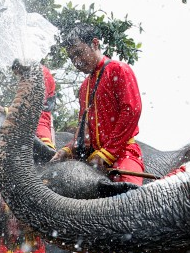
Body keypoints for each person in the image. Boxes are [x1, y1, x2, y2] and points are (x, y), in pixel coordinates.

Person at [51, 24, 145, 185]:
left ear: (95, 43)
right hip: (94, 158)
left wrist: (107, 153)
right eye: (72, 57)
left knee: (129, 196)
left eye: (79, 53)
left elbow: (132, 111)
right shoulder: (84, 88)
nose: (77, 61)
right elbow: (83, 129)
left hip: (123, 154)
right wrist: (68, 149)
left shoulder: (118, 69)